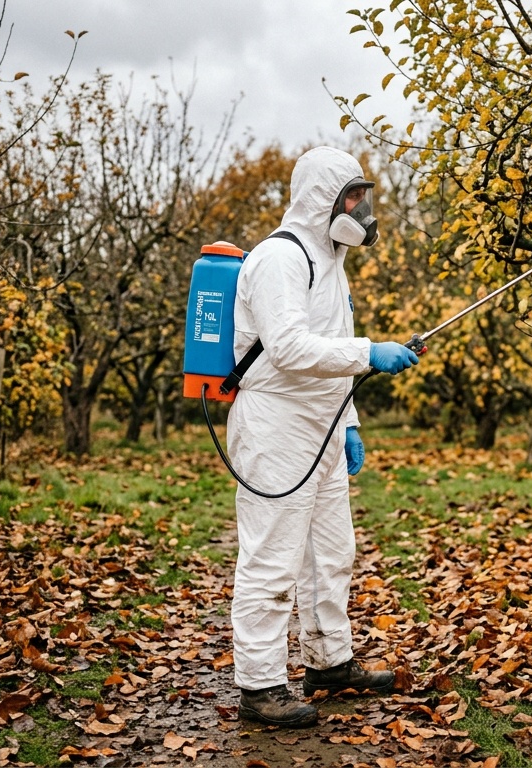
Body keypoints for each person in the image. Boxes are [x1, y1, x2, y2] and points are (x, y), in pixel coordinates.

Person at [226, 146, 419, 727]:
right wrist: (369, 352)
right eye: (352, 196)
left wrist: (350, 422)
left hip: (325, 424)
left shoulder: (332, 261)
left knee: (331, 553)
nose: (361, 207)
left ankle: (329, 662)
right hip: (276, 425)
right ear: (322, 198)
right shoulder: (280, 258)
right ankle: (259, 684)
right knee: (272, 558)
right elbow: (288, 349)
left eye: (363, 196)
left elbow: (329, 350)